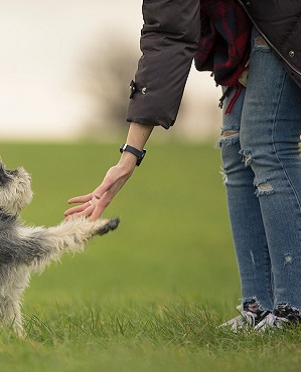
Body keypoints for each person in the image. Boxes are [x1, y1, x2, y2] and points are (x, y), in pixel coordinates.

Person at [64, 0, 301, 331]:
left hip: (285, 16)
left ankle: (292, 310)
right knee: (234, 148)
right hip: (251, 24)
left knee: (266, 143)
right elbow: (169, 35)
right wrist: (128, 158)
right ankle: (258, 307)